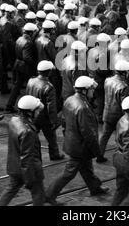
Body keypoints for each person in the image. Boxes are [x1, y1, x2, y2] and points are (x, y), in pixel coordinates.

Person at [46, 76, 110, 206]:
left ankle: (95, 187)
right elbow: (89, 134)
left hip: (72, 141)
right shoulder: (83, 107)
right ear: (85, 90)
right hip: (80, 147)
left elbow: (63, 122)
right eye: (92, 89)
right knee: (69, 173)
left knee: (86, 168)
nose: (93, 92)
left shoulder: (69, 100)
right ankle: (49, 195)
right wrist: (98, 152)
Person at [0, 96, 46, 206]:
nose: (38, 113)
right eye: (37, 110)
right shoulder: (28, 131)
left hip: (14, 166)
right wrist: (30, 179)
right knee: (38, 194)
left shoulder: (14, 120)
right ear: (30, 112)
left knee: (10, 190)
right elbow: (27, 157)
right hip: (29, 169)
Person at [26, 60, 64, 161]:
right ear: (49, 72)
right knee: (51, 138)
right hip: (45, 117)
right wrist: (54, 121)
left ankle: (32, 154)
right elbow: (51, 107)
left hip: (33, 114)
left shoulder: (31, 81)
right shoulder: (49, 87)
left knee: (32, 137)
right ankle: (54, 154)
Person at [97, 60, 129, 163]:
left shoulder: (107, 81)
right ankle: (122, 157)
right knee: (122, 138)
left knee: (104, 136)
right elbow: (124, 104)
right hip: (118, 116)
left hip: (107, 112)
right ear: (124, 72)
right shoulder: (124, 86)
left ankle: (99, 155)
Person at [6, 23, 38, 113]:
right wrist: (35, 63)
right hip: (25, 67)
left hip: (18, 65)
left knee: (17, 86)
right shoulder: (28, 42)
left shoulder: (20, 39)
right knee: (29, 86)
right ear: (31, 32)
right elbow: (26, 57)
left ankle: (9, 105)